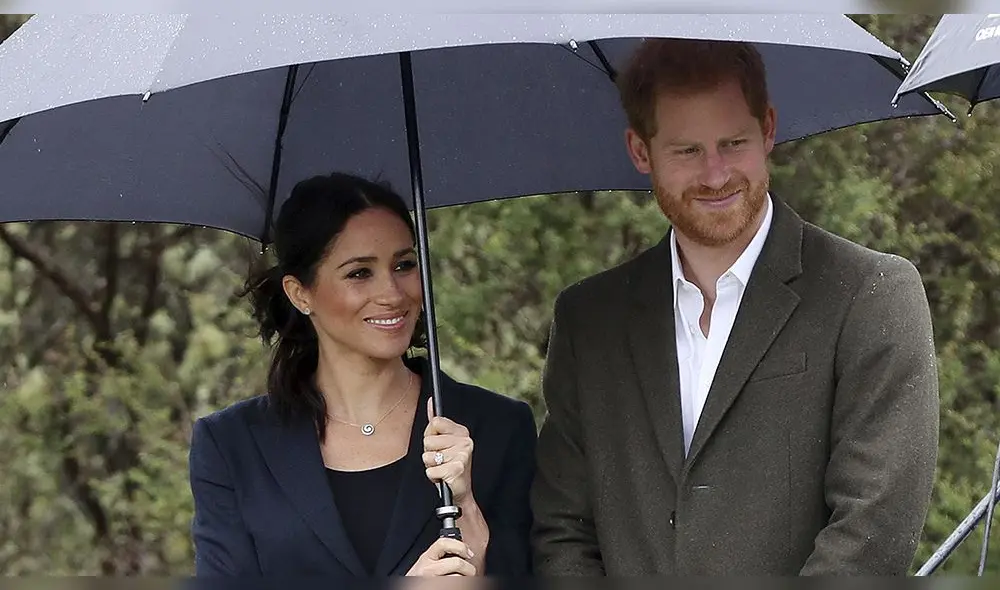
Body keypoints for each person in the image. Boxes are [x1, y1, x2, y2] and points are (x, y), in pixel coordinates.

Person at [530, 38, 940, 575]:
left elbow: (870, 537)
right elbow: (562, 533)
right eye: (687, 151)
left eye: (733, 142)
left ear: (768, 129)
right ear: (640, 151)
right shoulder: (589, 321)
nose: (716, 173)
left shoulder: (871, 294)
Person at [188, 172, 536, 577]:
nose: (392, 293)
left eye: (404, 265)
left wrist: (470, 514)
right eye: (359, 273)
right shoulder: (232, 447)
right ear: (300, 293)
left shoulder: (498, 428)